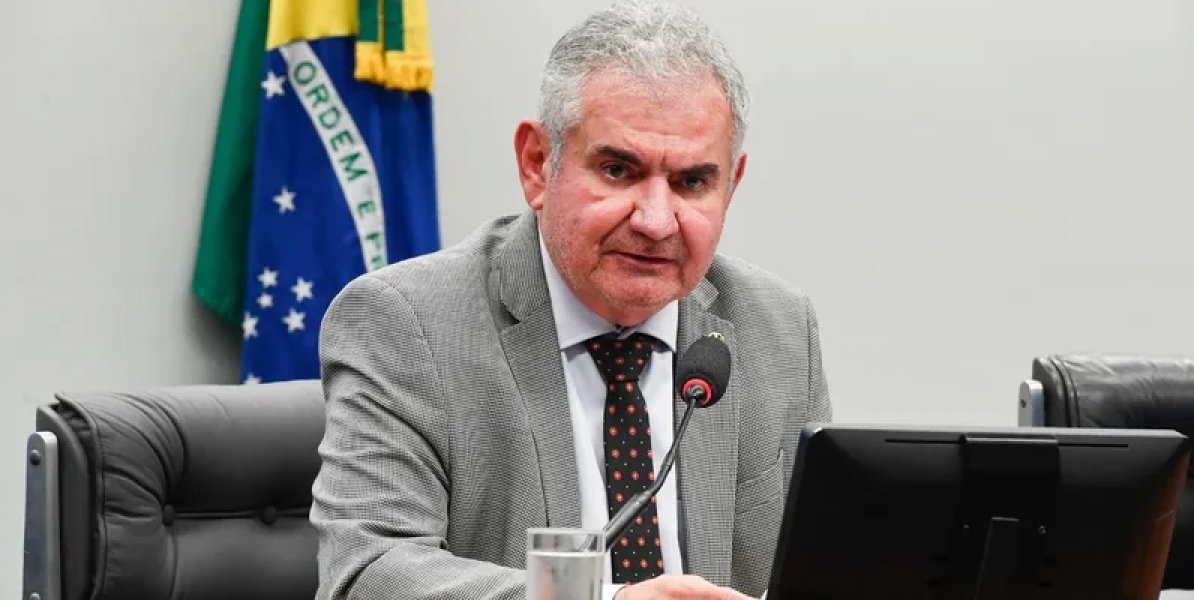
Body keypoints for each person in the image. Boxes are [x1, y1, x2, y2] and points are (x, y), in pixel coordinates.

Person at [311, 1, 832, 598]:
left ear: (731, 184)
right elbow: (367, 573)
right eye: (618, 170)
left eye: (692, 182)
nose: (657, 220)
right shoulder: (406, 324)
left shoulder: (781, 330)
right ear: (537, 164)